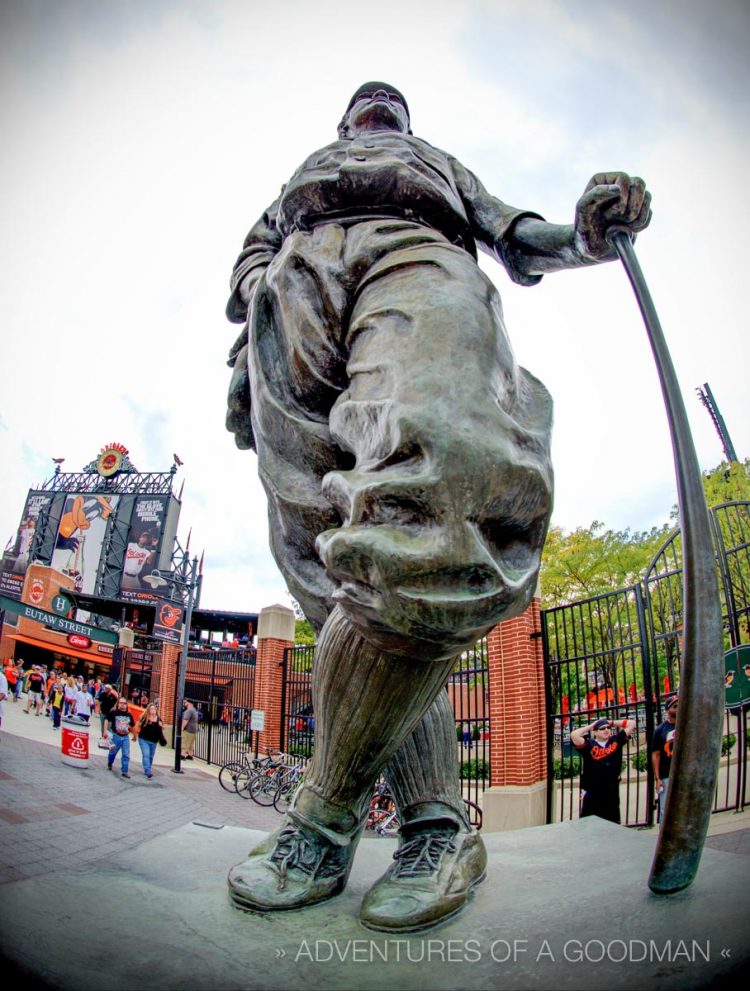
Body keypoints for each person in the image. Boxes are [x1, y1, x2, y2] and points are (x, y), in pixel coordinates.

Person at [224, 82, 650, 930]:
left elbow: (514, 232)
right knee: (329, 575)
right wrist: (252, 346)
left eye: (392, 103)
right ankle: (436, 825)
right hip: (292, 300)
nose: (378, 107)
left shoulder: (439, 172)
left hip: (413, 261)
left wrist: (583, 236)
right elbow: (247, 266)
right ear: (343, 126)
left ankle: (322, 818)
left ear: (406, 127)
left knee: (431, 502)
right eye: (364, 103)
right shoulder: (300, 181)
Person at [571, 716, 636, 823]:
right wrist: (592, 726)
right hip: (593, 791)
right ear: (595, 732)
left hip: (611, 789)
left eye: (608, 728)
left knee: (612, 822)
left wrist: (611, 722)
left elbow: (632, 723)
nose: (606, 730)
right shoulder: (589, 745)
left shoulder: (616, 741)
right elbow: (574, 735)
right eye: (602, 728)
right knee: (590, 823)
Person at [651, 694, 678, 822]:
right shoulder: (660, 730)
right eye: (675, 706)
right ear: (668, 710)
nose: (678, 708)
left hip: (683, 772)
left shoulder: (687, 725)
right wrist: (657, 778)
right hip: (666, 773)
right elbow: (656, 754)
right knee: (664, 808)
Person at [105, 697, 137, 778]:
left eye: (124, 703)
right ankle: (110, 762)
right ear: (118, 704)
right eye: (121, 703)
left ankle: (124, 771)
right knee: (113, 752)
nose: (122, 705)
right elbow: (106, 720)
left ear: (126, 705)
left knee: (126, 754)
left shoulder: (129, 715)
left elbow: (133, 726)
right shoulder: (114, 712)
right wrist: (105, 731)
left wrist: (134, 735)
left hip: (125, 737)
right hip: (116, 736)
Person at [135, 703, 165, 779]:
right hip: (143, 739)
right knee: (146, 754)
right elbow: (137, 725)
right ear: (148, 710)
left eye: (154, 709)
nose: (153, 710)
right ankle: (147, 771)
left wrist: (161, 726)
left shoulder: (158, 719)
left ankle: (148, 767)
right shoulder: (145, 717)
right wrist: (135, 735)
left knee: (151, 756)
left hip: (154, 741)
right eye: (151, 709)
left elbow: (161, 730)